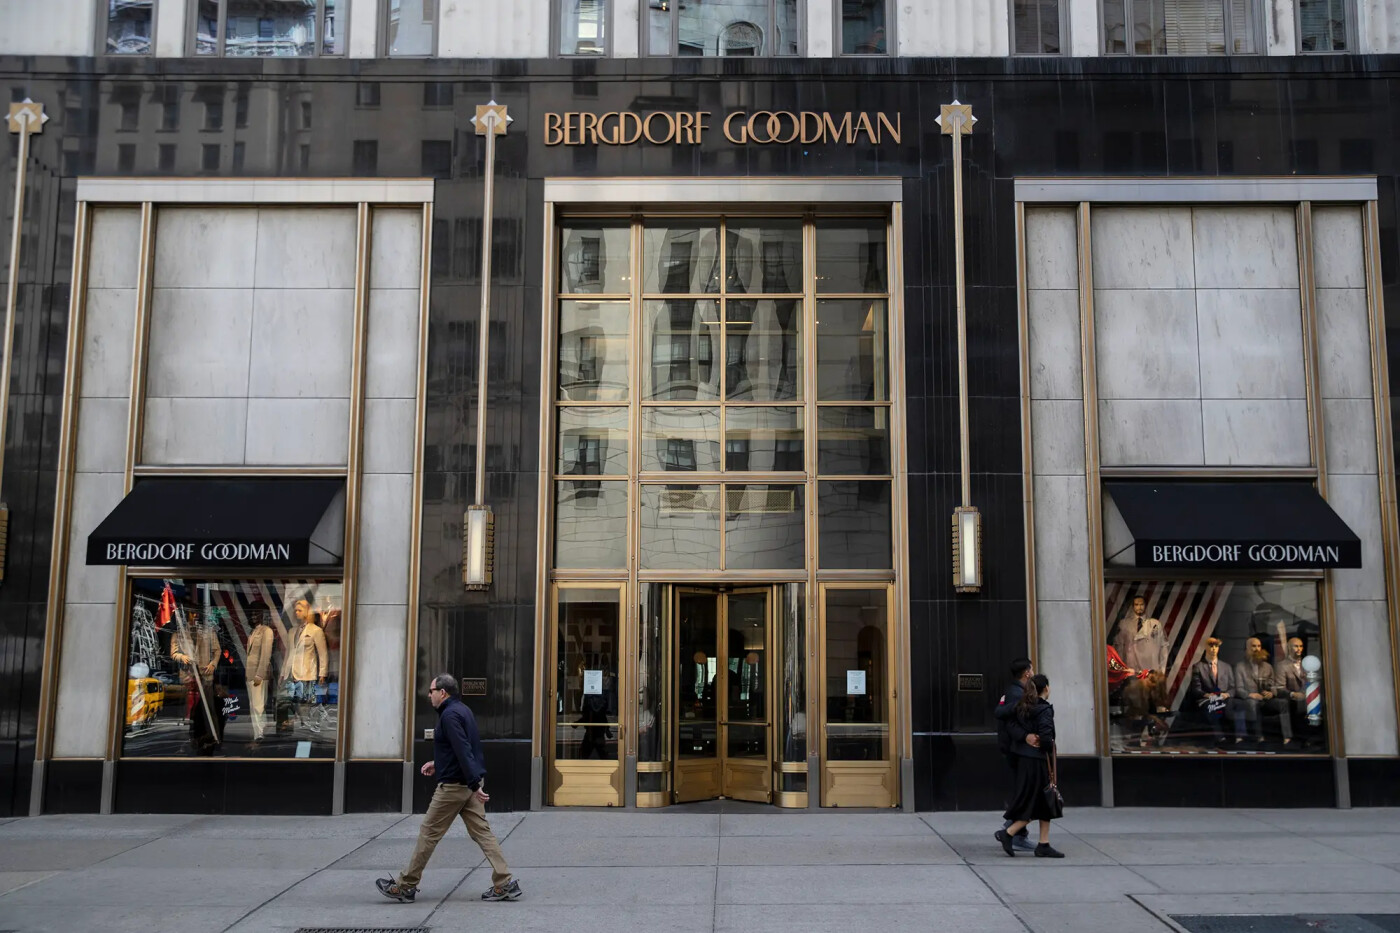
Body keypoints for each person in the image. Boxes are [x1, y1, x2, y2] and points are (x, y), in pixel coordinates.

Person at [377, 674, 522, 904]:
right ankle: (504, 883)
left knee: (428, 832)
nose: (429, 695)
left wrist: (474, 784)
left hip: (455, 787)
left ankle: (406, 886)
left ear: (443, 692)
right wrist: (440, 764)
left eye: (432, 690)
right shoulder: (463, 710)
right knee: (483, 833)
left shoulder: (449, 715)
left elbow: (464, 749)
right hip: (467, 783)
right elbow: (462, 748)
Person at [996, 673, 1064, 858]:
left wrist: (1025, 737)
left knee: (1043, 800)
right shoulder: (1044, 710)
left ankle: (1044, 843)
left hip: (1024, 758)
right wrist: (1047, 746)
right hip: (1038, 761)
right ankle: (1009, 832)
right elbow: (1047, 736)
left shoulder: (1022, 707)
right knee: (1038, 799)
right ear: (1046, 689)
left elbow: (1009, 724)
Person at [994, 657, 1039, 852]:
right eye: (1031, 669)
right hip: (1018, 750)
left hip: (1016, 749)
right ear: (1027, 673)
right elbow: (1010, 723)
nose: (1033, 672)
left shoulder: (1016, 692)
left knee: (1023, 791)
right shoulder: (1016, 694)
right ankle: (1013, 830)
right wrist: (1026, 737)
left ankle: (1016, 831)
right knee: (1024, 792)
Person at [1234, 635, 1292, 745]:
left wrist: (1271, 693)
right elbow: (1239, 689)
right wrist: (1251, 695)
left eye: (1259, 646)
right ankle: (1259, 736)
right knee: (1253, 704)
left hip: (1266, 700)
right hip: (1250, 699)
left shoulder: (1267, 667)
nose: (1257, 649)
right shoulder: (1240, 667)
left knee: (1283, 703)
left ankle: (1287, 737)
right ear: (1247, 649)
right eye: (1253, 646)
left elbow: (1274, 686)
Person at [1189, 637, 1243, 744]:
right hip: (1207, 699)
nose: (1213, 649)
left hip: (1224, 698)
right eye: (1211, 645)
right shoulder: (1198, 667)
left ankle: (1240, 737)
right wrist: (1207, 695)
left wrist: (1227, 694)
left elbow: (1233, 687)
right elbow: (1196, 689)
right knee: (1212, 707)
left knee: (1239, 704)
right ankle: (1220, 738)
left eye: (1216, 646)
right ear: (1205, 647)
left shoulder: (1226, 667)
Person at [244, 601, 275, 745]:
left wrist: (260, 674)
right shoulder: (254, 631)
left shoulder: (266, 631)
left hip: (258, 674)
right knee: (254, 705)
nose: (254, 615)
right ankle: (258, 733)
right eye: (252, 612)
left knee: (258, 705)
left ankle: (260, 734)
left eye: (257, 612)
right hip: (250, 674)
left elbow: (266, 654)